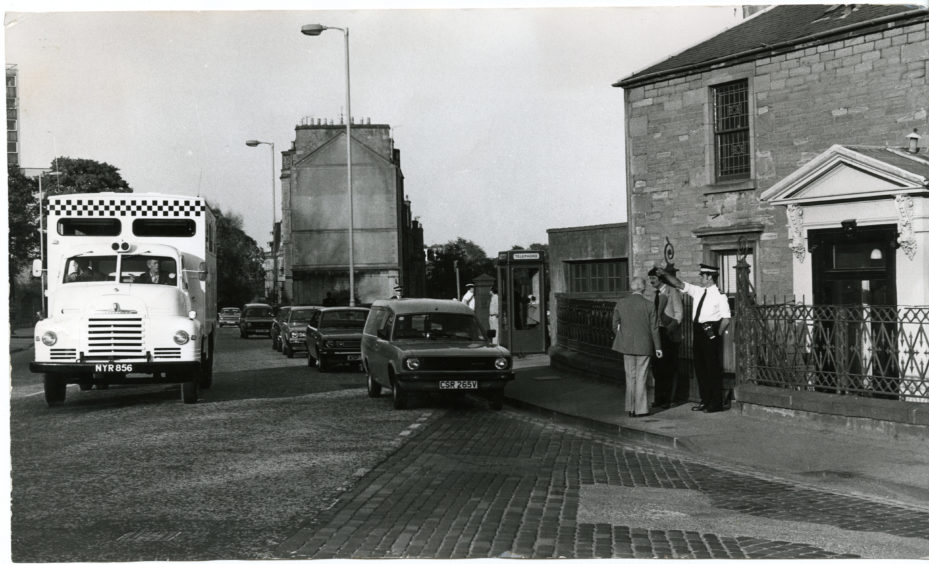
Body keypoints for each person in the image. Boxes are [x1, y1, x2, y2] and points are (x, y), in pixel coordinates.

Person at [656, 264, 731, 413]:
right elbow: (679, 283)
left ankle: (716, 403)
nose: (701, 278)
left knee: (712, 368)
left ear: (710, 277)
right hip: (697, 330)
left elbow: (726, 319)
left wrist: (716, 335)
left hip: (710, 331)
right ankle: (705, 400)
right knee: (700, 368)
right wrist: (664, 274)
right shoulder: (698, 291)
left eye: (702, 276)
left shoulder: (720, 295)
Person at [611, 276, 662, 418]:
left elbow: (615, 325)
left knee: (630, 377)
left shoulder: (621, 303)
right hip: (644, 345)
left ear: (632, 287)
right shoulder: (649, 304)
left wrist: (622, 336)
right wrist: (658, 347)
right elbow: (654, 328)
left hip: (626, 345)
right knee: (641, 377)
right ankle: (641, 409)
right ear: (644, 288)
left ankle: (631, 408)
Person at [648, 266, 684, 408]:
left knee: (668, 367)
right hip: (656, 334)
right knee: (657, 368)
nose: (651, 281)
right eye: (650, 278)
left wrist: (670, 328)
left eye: (653, 278)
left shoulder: (672, 292)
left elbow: (679, 313)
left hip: (668, 333)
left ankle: (669, 399)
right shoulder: (653, 294)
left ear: (661, 279)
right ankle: (659, 398)